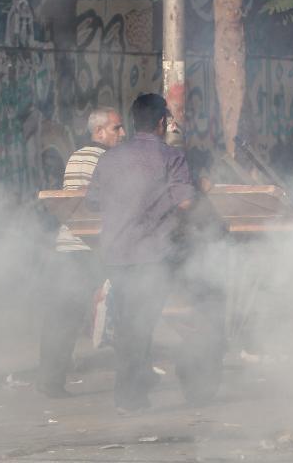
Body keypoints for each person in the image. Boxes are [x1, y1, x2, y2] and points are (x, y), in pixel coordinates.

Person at [86, 93, 196, 413]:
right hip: (152, 254)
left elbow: (93, 201)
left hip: (117, 254)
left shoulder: (108, 159)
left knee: (128, 324)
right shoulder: (169, 157)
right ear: (162, 123)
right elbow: (186, 202)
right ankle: (130, 396)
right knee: (142, 325)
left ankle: (133, 391)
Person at [37, 107, 126, 398]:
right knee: (127, 307)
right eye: (116, 128)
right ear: (99, 132)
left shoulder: (76, 156)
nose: (122, 133)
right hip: (93, 248)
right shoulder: (109, 160)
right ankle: (137, 374)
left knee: (61, 317)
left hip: (68, 245)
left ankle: (50, 382)